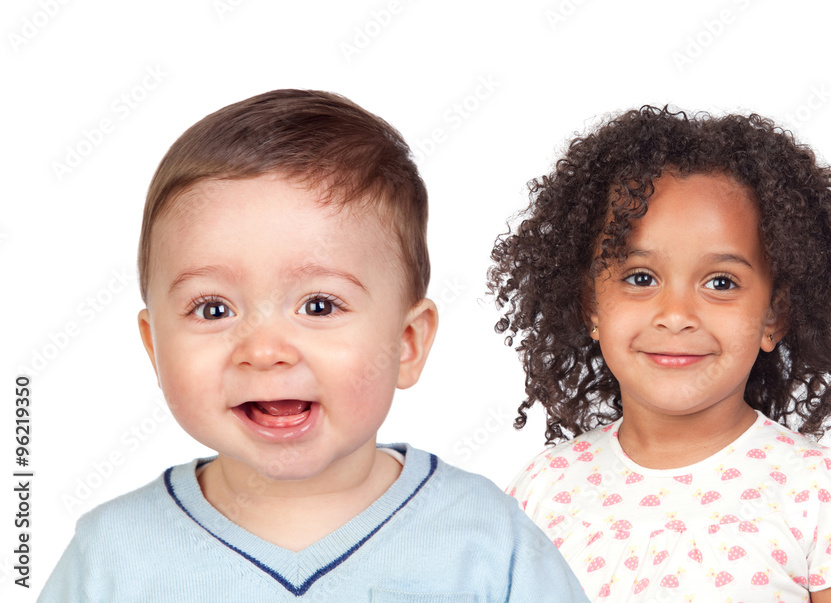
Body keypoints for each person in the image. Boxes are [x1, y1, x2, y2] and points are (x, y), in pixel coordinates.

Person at [41, 89, 587, 602]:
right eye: (213, 309)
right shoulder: (110, 559)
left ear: (406, 343)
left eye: (319, 306)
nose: (264, 349)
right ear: (154, 347)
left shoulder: (489, 540)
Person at [489, 106, 831, 602]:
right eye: (640, 278)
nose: (677, 313)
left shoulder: (821, 491)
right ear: (591, 306)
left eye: (721, 282)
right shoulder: (543, 491)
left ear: (774, 316)